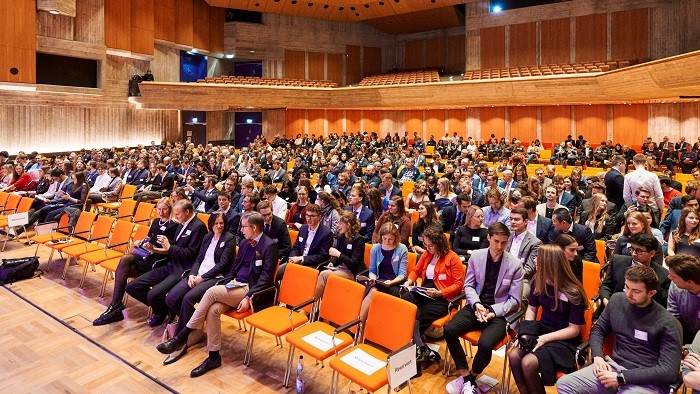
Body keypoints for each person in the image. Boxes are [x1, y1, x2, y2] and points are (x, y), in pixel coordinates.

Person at [155, 212, 278, 378]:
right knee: (213, 310)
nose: (241, 230)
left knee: (211, 292)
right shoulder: (243, 243)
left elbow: (266, 278)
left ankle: (182, 335)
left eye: (244, 227)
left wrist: (249, 297)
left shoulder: (268, 245)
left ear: (254, 228)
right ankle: (213, 357)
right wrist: (227, 282)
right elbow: (235, 269)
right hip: (235, 284)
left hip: (251, 289)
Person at [556, 265, 682, 394]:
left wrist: (622, 377)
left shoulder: (668, 323)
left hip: (647, 382)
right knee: (565, 385)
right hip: (614, 368)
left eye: (636, 291)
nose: (629, 294)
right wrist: (598, 357)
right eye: (627, 287)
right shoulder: (617, 301)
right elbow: (598, 329)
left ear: (651, 293)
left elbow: (668, 372)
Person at [444, 223, 524, 394]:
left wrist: (493, 311)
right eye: (496, 241)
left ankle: (470, 378)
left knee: (485, 344)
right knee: (449, 330)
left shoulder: (515, 264)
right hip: (477, 306)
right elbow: (469, 286)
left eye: (504, 242)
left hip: (499, 312)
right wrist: (478, 305)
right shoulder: (477, 256)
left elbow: (515, 300)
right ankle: (466, 377)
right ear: (488, 237)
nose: (500, 246)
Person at [508, 245, 587, 394]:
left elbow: (574, 330)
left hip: (564, 341)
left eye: (539, 257)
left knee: (527, 363)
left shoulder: (573, 292)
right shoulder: (538, 280)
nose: (535, 260)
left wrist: (544, 339)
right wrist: (526, 332)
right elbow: (531, 308)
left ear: (550, 263)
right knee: (513, 355)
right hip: (542, 331)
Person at [93, 198, 179, 325]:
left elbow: (171, 250)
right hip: (148, 256)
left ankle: (161, 308)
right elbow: (149, 237)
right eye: (159, 209)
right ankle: (115, 305)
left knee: (127, 272)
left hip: (160, 261)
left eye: (164, 209)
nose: (161, 212)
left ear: (170, 209)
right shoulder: (156, 221)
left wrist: (154, 248)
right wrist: (141, 241)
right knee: (126, 259)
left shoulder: (174, 225)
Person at [125, 200, 207, 327]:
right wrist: (154, 249)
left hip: (182, 269)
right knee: (132, 287)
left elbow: (191, 254)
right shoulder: (181, 223)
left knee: (153, 294)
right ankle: (165, 310)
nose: (175, 216)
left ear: (187, 212)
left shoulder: (198, 227)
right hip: (169, 264)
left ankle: (161, 312)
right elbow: (172, 248)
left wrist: (169, 247)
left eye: (178, 214)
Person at [164, 212, 236, 337]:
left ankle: (181, 336)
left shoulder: (229, 238)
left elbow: (222, 265)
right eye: (216, 223)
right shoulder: (207, 237)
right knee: (171, 298)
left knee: (187, 299)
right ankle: (194, 326)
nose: (219, 226)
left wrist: (202, 278)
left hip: (215, 277)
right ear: (211, 224)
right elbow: (199, 259)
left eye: (221, 223)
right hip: (198, 274)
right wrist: (192, 274)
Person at [402, 227, 464, 364]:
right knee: (406, 299)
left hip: (444, 298)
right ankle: (421, 347)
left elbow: (459, 285)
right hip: (426, 292)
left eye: (431, 245)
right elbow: (416, 270)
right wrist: (409, 281)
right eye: (426, 245)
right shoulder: (427, 254)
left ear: (439, 243)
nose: (428, 248)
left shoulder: (453, 258)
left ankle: (414, 346)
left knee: (421, 314)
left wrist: (440, 292)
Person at [599, 233, 670, 313]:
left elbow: (663, 301)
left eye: (639, 251)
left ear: (652, 253)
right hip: (613, 308)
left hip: (641, 315)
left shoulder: (663, 274)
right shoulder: (617, 261)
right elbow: (606, 286)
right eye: (632, 249)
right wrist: (607, 302)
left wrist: (648, 275)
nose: (633, 253)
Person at [360, 222, 408, 321]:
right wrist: (373, 278)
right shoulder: (376, 248)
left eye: (390, 239)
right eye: (384, 239)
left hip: (395, 282)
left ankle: (362, 326)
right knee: (372, 292)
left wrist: (391, 282)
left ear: (396, 238)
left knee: (375, 294)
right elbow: (372, 270)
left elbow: (402, 274)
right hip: (379, 280)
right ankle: (360, 324)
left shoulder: (402, 249)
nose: (386, 242)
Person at [314, 211, 366, 300]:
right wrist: (333, 263)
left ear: (348, 224)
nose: (338, 226)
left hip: (352, 272)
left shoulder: (359, 240)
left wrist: (338, 254)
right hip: (340, 268)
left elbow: (354, 263)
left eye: (340, 223)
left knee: (324, 275)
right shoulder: (341, 237)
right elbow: (336, 257)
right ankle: (321, 306)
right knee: (321, 272)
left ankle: (310, 306)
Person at [278, 203, 333, 280]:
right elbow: (296, 247)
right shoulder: (303, 228)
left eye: (312, 216)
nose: (308, 219)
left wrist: (301, 259)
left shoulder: (326, 233)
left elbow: (322, 256)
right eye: (307, 215)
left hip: (311, 264)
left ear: (319, 217)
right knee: (276, 273)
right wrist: (293, 257)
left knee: (295, 278)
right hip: (296, 261)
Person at [507, 207, 542, 298]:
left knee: (520, 296)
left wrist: (509, 275)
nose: (513, 222)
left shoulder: (535, 242)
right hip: (502, 275)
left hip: (523, 279)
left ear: (525, 221)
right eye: (511, 219)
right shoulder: (506, 237)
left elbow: (529, 270)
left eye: (516, 219)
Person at [665, 254, 700, 344]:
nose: (669, 277)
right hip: (685, 333)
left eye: (673, 276)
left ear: (689, 282)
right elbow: (673, 317)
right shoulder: (675, 286)